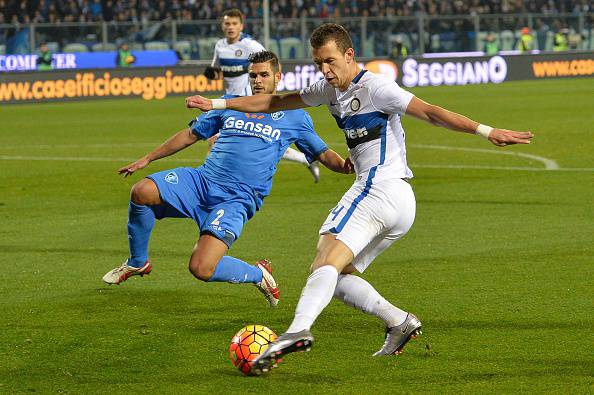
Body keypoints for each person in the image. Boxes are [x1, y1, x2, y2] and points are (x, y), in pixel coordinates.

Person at [186, 23, 533, 374]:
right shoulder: (327, 89)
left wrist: (487, 131)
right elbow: (275, 101)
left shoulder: (377, 87)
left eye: (331, 61)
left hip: (380, 189)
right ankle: (399, 321)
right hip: (397, 201)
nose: (325, 70)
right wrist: (217, 102)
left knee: (324, 261)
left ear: (350, 55)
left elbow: (429, 111)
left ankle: (296, 330)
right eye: (319, 63)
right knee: (336, 276)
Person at [102, 50, 353, 311]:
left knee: (201, 268)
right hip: (202, 181)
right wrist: (147, 159)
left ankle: (259, 274)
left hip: (237, 198)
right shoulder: (230, 103)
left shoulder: (295, 115)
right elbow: (190, 135)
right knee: (142, 191)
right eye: (253, 75)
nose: (257, 81)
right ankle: (137, 261)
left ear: (277, 77)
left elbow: (323, 153)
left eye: (264, 75)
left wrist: (347, 166)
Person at [203, 8, 321, 182]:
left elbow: (270, 62)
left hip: (248, 101)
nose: (230, 27)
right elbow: (217, 72)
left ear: (241, 26)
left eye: (234, 23)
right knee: (258, 139)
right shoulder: (220, 46)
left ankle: (212, 183)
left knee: (238, 140)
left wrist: (271, 85)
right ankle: (305, 160)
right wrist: (212, 74)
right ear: (222, 25)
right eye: (227, 23)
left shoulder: (250, 45)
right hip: (229, 101)